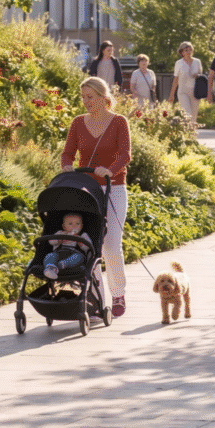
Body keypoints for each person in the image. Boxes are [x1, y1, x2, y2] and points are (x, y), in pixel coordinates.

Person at [60, 76, 131, 317]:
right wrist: (67, 166)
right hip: (87, 190)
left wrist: (110, 170)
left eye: (90, 97)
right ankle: (96, 298)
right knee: (90, 245)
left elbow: (125, 155)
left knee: (111, 245)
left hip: (113, 189)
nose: (86, 101)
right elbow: (68, 153)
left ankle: (118, 293)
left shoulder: (119, 122)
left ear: (103, 97)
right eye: (83, 97)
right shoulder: (78, 123)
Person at [42, 212, 93, 280]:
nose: (74, 226)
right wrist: (59, 240)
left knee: (78, 257)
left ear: (81, 226)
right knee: (50, 255)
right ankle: (50, 268)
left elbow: (89, 248)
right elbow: (50, 242)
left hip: (75, 254)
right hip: (59, 254)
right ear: (64, 226)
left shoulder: (83, 235)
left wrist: (81, 243)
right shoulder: (60, 233)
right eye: (70, 224)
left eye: (77, 224)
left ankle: (62, 265)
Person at [169, 42, 203, 124]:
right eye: (186, 50)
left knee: (193, 117)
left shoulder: (197, 62)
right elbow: (176, 79)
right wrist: (172, 94)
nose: (188, 52)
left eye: (190, 50)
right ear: (182, 52)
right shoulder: (178, 63)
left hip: (195, 92)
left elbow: (201, 76)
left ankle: (191, 131)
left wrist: (197, 75)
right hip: (183, 92)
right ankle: (187, 130)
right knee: (188, 114)